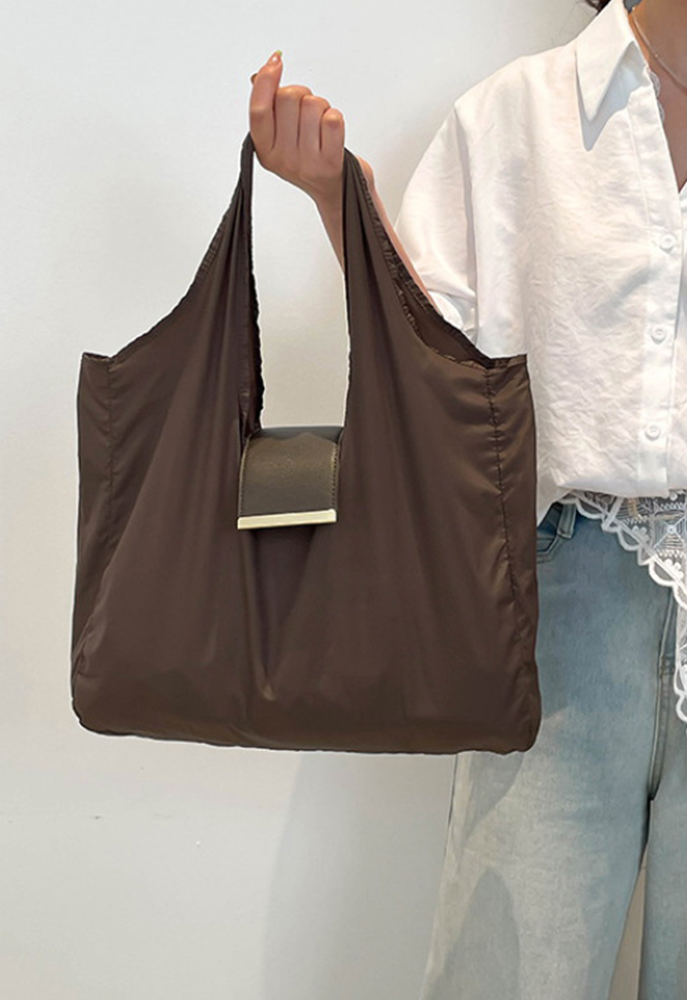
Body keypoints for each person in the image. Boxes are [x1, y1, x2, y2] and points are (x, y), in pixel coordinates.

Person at [248, 0, 687, 996]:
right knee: (512, 971)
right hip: (559, 616)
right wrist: (341, 203)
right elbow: (435, 378)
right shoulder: (519, 114)